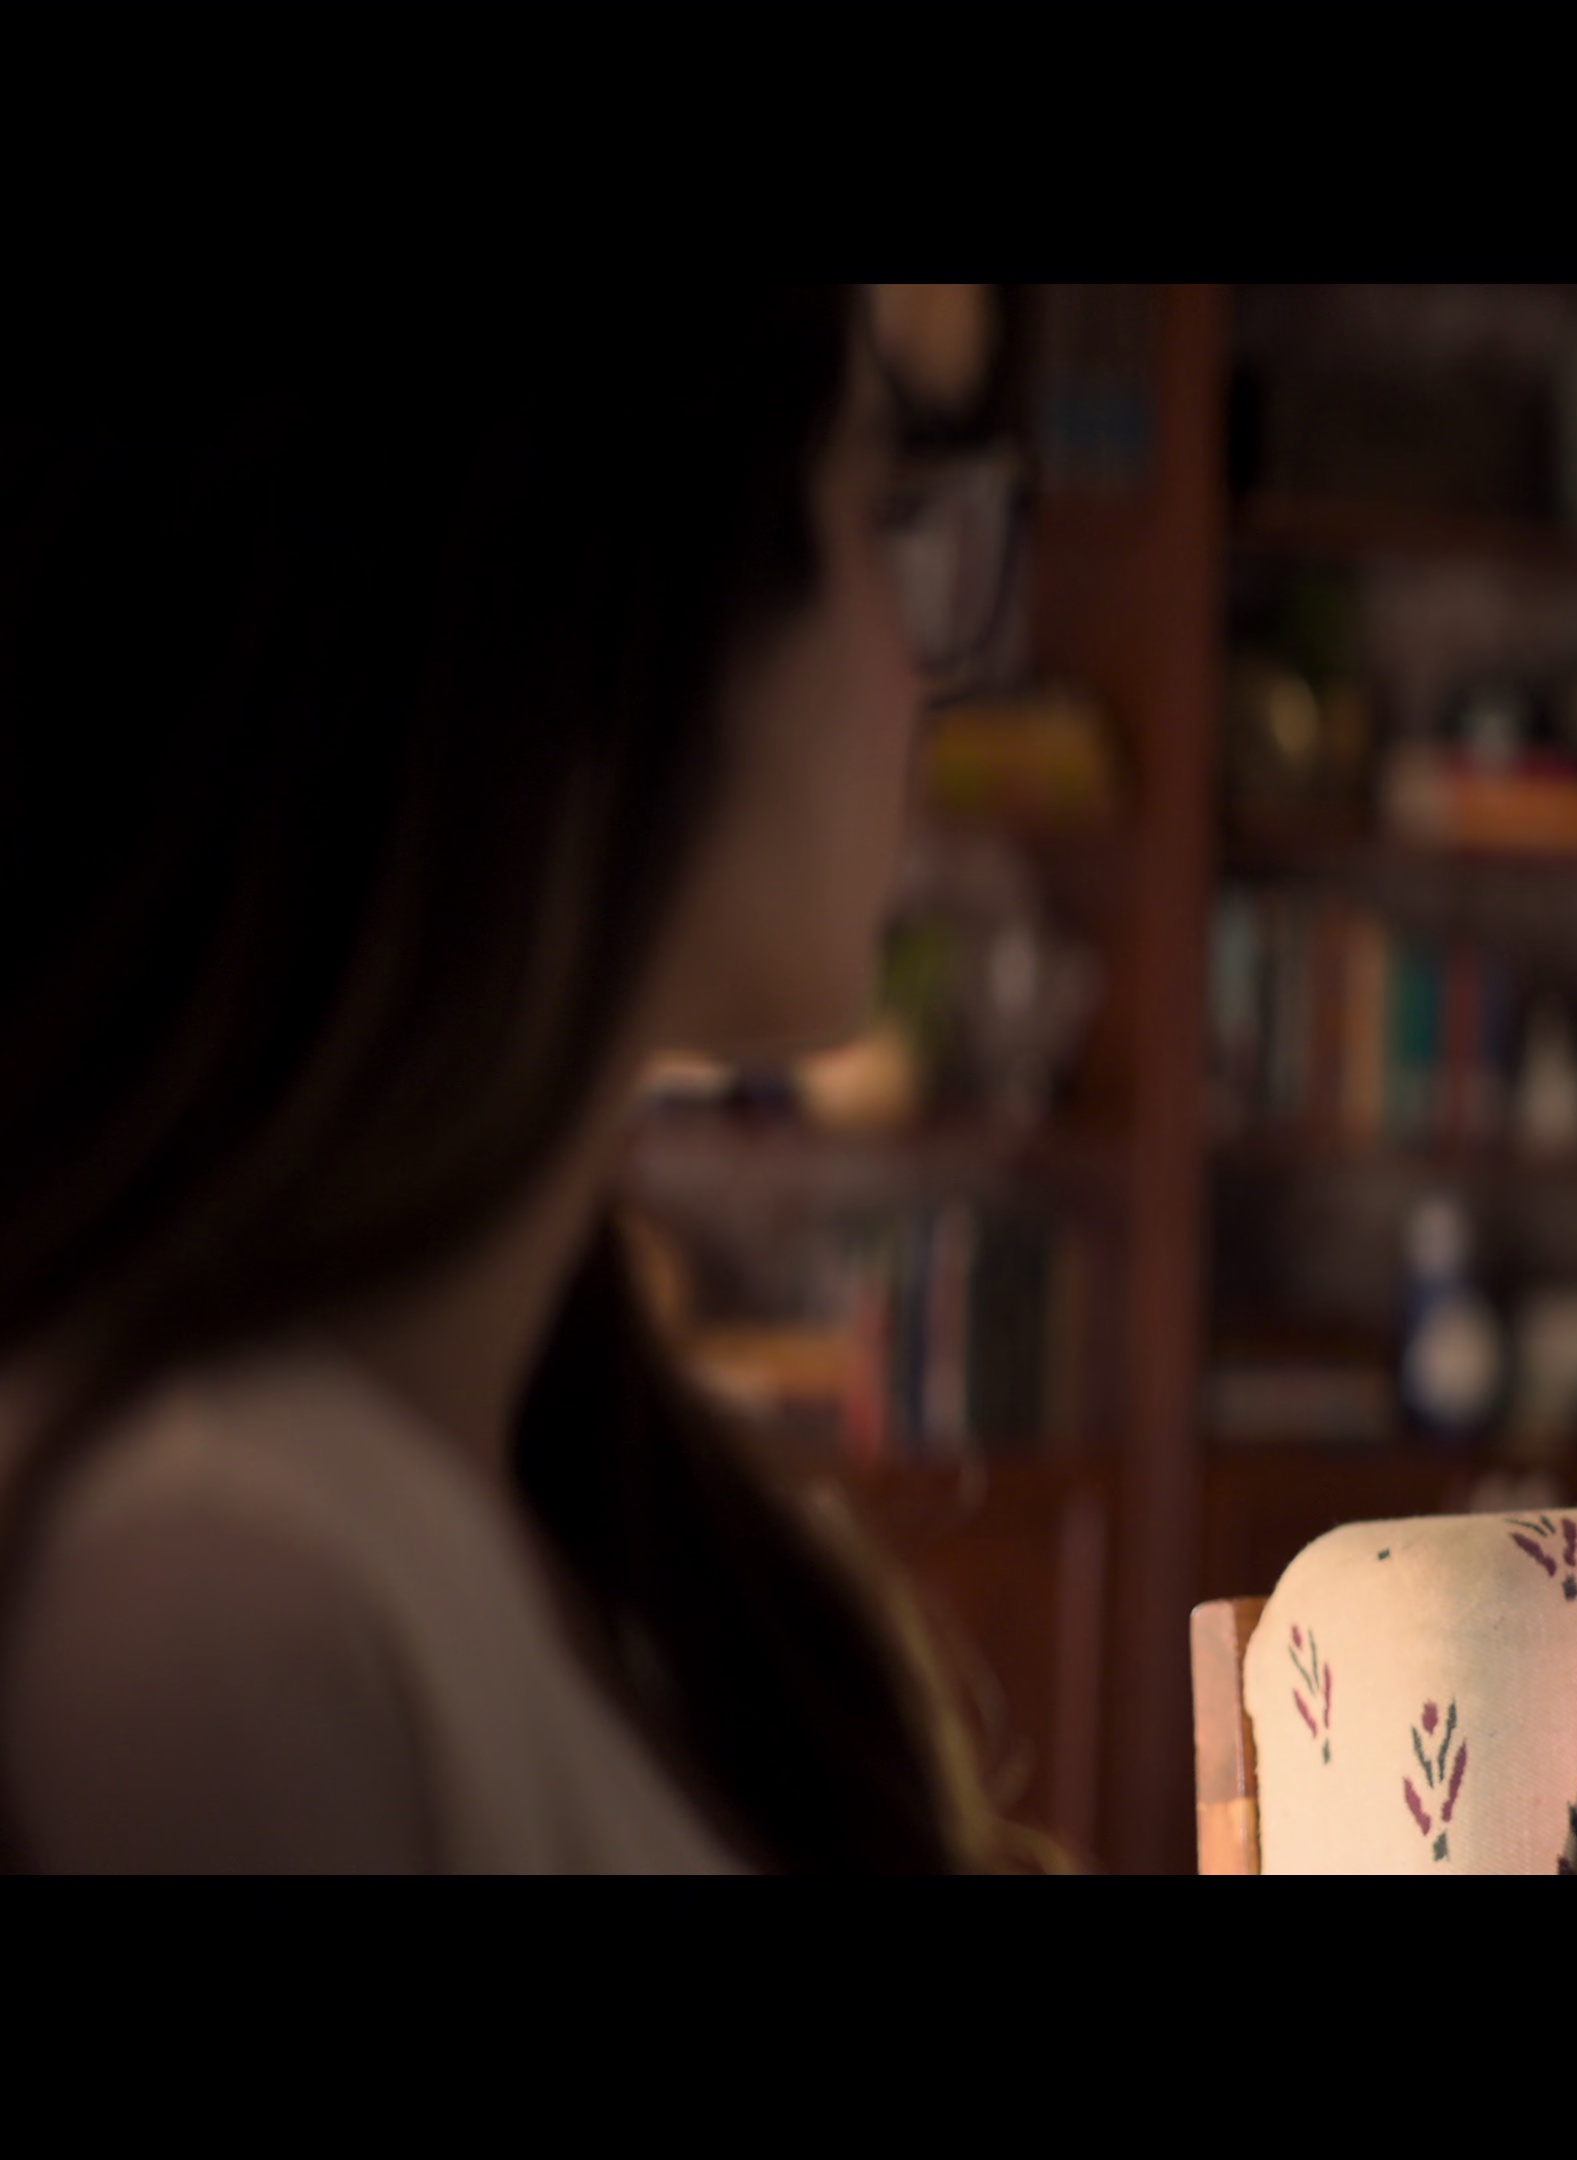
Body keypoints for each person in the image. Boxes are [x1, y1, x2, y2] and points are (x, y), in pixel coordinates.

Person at [0, 285, 1037, 1871]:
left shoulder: (536, 1503)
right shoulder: (217, 1603)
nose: (924, 670)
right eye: (870, 505)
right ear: (626, 623)